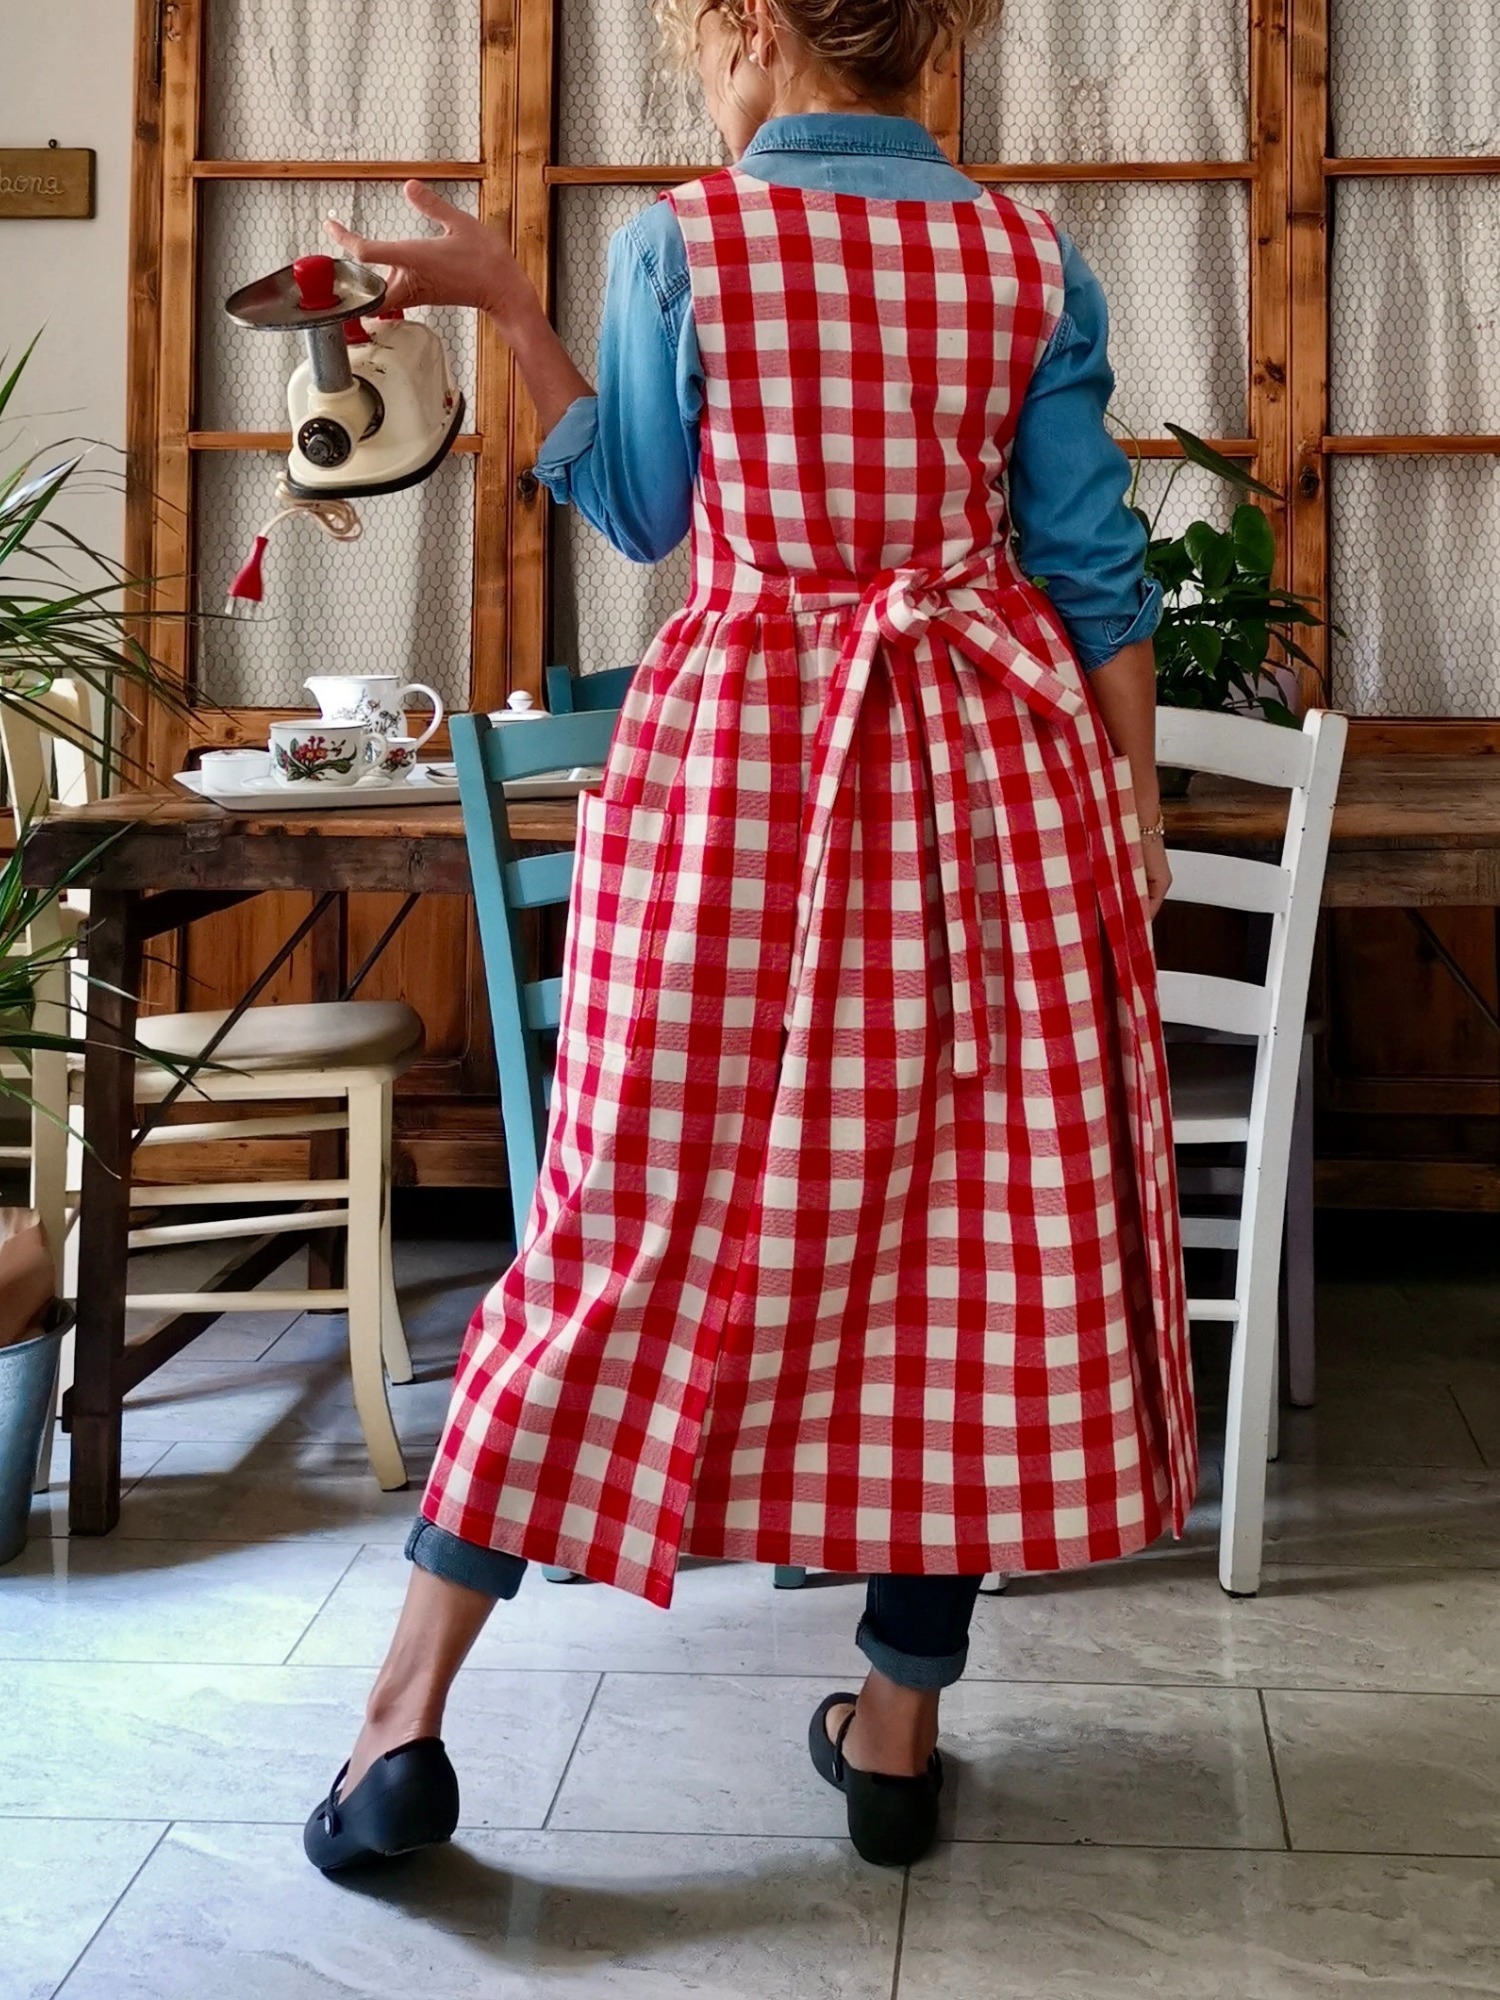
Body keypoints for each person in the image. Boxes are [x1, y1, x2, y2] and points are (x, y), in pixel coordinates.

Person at [307, 0, 1194, 1875]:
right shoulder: (1027, 254)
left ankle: (401, 1725)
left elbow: (641, 512)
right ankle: (895, 1737)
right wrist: (1132, 807)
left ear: (755, 27)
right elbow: (1091, 564)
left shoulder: (685, 242)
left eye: (702, 48)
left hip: (740, 784)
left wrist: (511, 304)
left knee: (620, 1215)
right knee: (964, 1243)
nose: (703, 82)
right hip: (992, 778)